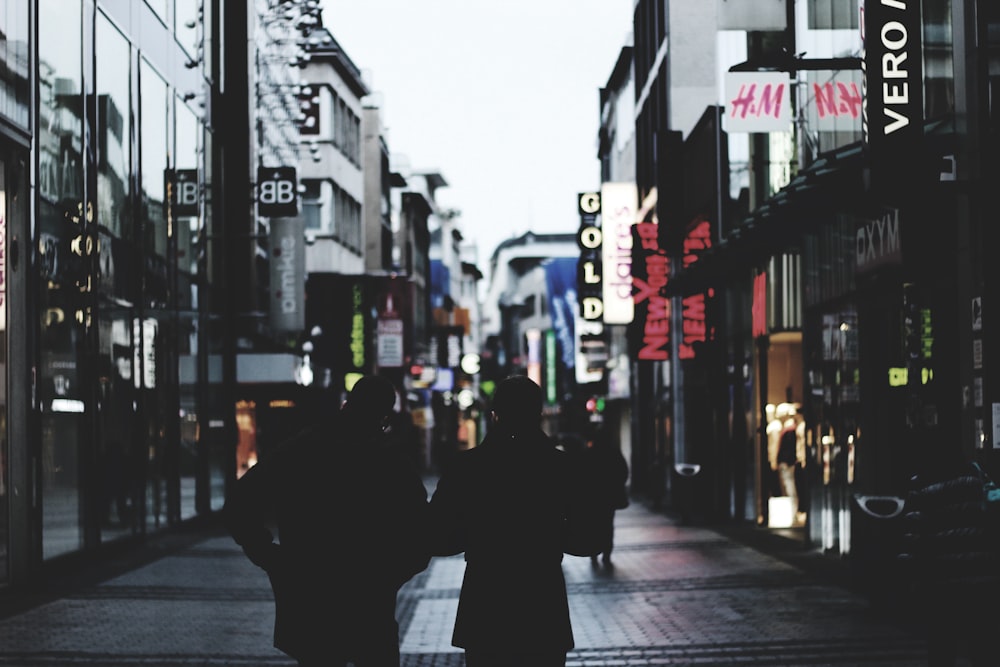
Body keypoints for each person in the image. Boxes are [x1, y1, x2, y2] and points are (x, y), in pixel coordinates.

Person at [223, 375, 430, 667]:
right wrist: (394, 572)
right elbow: (422, 529)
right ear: (384, 417)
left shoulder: (302, 449)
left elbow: (239, 505)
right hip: (369, 599)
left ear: (347, 405)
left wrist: (270, 557)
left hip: (312, 594)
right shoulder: (390, 461)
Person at [426, 375, 599, 666]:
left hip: (486, 597)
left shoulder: (467, 467)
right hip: (542, 598)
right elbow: (587, 538)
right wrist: (550, 537)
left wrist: (477, 536)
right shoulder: (562, 467)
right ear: (539, 413)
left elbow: (438, 535)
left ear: (495, 415)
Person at [897, 432, 1000, 666]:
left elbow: (913, 535)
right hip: (982, 575)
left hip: (942, 580)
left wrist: (908, 578)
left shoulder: (923, 483)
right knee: (983, 646)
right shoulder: (976, 476)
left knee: (942, 647)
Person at [578, 427, 630, 570]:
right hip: (609, 497)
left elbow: (581, 475)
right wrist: (617, 485)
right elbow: (623, 472)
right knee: (607, 526)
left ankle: (593, 553)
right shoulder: (614, 453)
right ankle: (606, 553)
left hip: (592, 498)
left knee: (593, 525)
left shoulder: (589, 454)